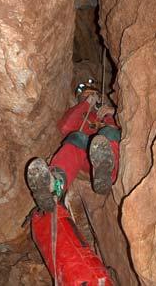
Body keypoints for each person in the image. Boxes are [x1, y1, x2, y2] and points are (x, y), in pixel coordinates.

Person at [26, 79, 121, 212]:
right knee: (77, 137)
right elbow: (66, 127)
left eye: (92, 95)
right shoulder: (80, 113)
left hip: (107, 160)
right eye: (85, 96)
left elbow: (125, 128)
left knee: (108, 132)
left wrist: (113, 112)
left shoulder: (107, 116)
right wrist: (86, 105)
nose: (89, 98)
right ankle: (54, 187)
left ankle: (106, 174)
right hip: (84, 159)